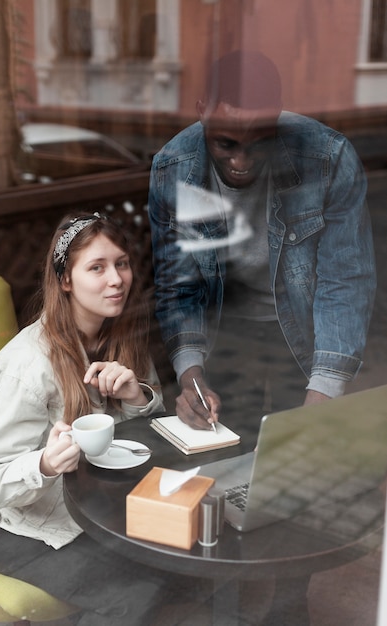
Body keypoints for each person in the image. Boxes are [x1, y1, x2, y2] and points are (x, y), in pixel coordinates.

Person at [148, 50, 376, 433]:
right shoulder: (172, 168)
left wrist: (322, 395)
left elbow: (346, 281)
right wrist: (190, 374)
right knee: (225, 452)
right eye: (226, 144)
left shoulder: (329, 158)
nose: (242, 159)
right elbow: (178, 286)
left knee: (303, 452)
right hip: (225, 332)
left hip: (308, 330)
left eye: (259, 142)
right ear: (202, 110)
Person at [0, 211, 168, 625]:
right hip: (22, 521)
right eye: (96, 267)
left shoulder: (122, 336)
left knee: (177, 567)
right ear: (65, 280)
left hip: (99, 505)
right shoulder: (29, 365)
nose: (116, 279)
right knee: (134, 595)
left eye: (122, 263)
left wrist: (137, 396)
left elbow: (151, 437)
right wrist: (43, 463)